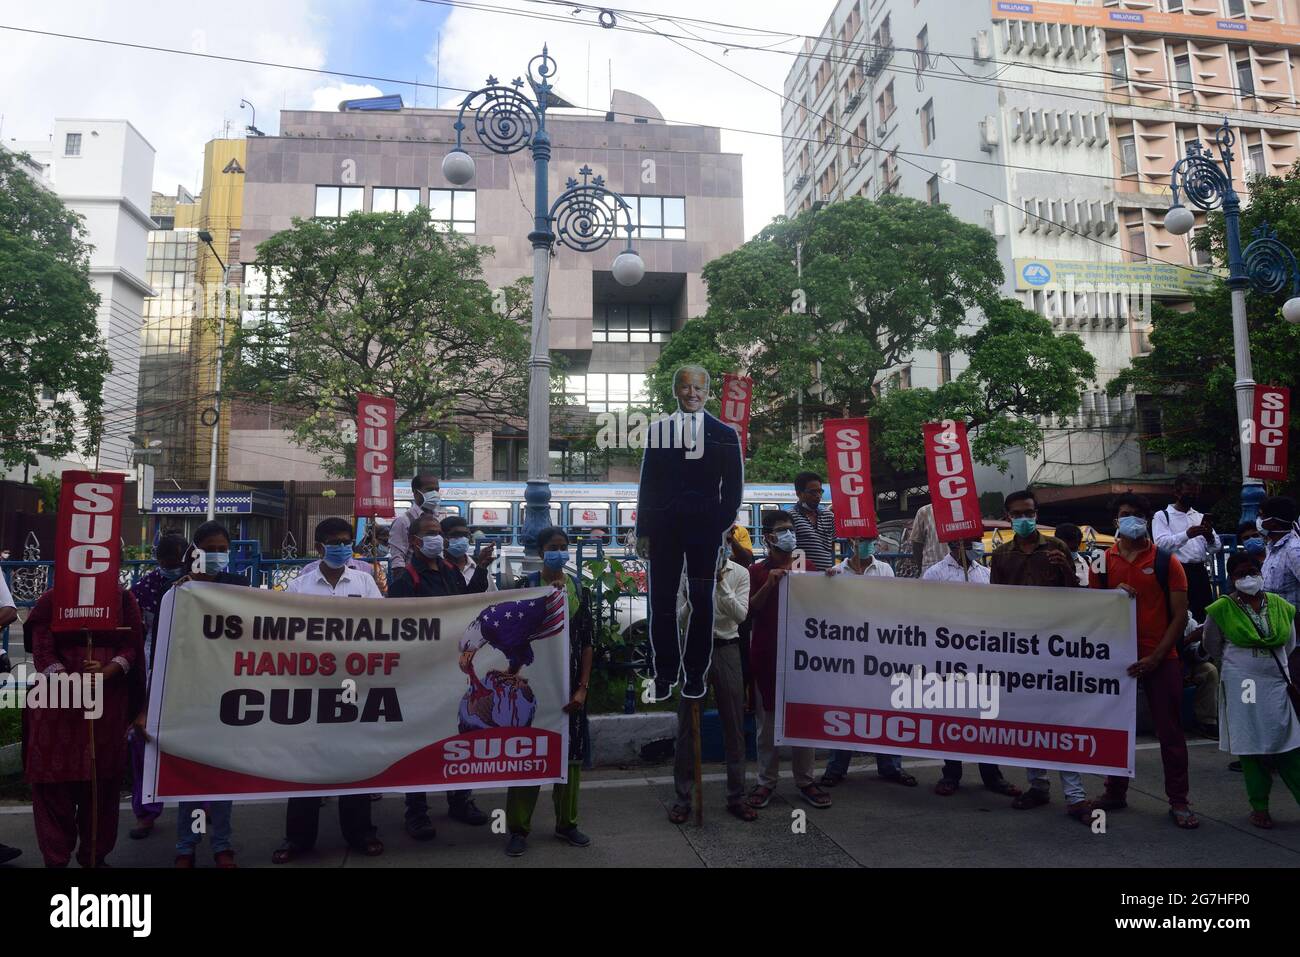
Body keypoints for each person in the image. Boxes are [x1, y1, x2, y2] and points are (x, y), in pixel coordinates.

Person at [273, 518, 385, 863]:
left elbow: (382, 628)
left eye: (347, 540)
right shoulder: (300, 587)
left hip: (355, 685)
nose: (342, 546)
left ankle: (361, 833)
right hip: (311, 686)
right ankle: (298, 839)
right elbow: (285, 633)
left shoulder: (365, 582)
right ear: (319, 546)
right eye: (335, 541)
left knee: (354, 760)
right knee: (307, 764)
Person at [1089, 493, 1198, 829]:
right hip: (1116, 660)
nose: (1131, 519)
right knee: (1114, 731)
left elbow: (1179, 618)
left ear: (1147, 519)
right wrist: (1111, 597)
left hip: (1162, 658)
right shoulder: (1101, 562)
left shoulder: (1168, 562)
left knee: (1171, 734)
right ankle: (1114, 791)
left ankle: (1179, 801)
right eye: (1125, 514)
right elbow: (1091, 610)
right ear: (1115, 521)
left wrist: (1155, 657)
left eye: (1137, 514)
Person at [636, 365, 744, 700]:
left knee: (702, 602)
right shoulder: (658, 432)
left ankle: (695, 674)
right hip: (664, 532)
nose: (692, 394)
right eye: (686, 387)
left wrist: (719, 524)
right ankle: (665, 672)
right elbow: (649, 485)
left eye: (699, 388)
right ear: (676, 390)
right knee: (662, 603)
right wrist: (644, 531)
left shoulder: (725, 434)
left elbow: (734, 489)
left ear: (707, 392)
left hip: (704, 532)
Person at [24, 585, 144, 867]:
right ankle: (56, 859)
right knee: (53, 790)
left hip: (106, 705)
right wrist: (67, 681)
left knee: (101, 785)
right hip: (56, 706)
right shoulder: (52, 598)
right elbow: (41, 648)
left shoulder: (122, 599)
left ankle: (94, 856)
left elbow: (132, 645)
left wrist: (107, 671)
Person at [989, 490, 1091, 821]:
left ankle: (1075, 795)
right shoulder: (1002, 556)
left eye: (1029, 512)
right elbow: (996, 605)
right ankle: (1038, 785)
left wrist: (1065, 572)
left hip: (1055, 648)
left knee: (1062, 719)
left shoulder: (1058, 548)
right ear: (1008, 516)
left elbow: (1073, 597)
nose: (1023, 518)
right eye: (1017, 513)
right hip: (1020, 650)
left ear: (1036, 513)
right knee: (1030, 720)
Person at [387, 511, 489, 838]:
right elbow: (398, 628)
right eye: (431, 533)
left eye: (439, 533)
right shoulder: (406, 580)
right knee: (420, 742)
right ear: (415, 541)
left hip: (453, 671)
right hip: (420, 676)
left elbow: (467, 605)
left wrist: (483, 568)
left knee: (458, 735)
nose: (438, 538)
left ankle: (460, 799)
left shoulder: (450, 572)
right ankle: (416, 812)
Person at [503, 527, 594, 856]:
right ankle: (517, 828)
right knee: (527, 756)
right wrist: (546, 600)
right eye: (552, 547)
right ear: (541, 553)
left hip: (570, 689)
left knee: (570, 758)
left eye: (563, 547)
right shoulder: (525, 588)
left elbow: (587, 644)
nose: (559, 552)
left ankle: (566, 824)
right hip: (530, 691)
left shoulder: (579, 589)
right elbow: (514, 637)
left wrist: (582, 688)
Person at [1203, 552, 1300, 829]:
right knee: (1251, 744)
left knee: (1288, 743)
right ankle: (1260, 807)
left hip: (1275, 682)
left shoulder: (1282, 606)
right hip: (1243, 682)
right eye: (1240, 574)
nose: (1247, 578)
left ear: (1261, 573)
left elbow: (1289, 644)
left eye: (1252, 572)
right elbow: (1212, 645)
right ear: (1232, 578)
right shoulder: (1221, 608)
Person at [923, 539, 1024, 799]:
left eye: (973, 542)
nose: (972, 547)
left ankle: (992, 775)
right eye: (967, 543)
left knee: (985, 715)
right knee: (952, 715)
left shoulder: (985, 574)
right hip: (949, 656)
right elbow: (923, 612)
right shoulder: (935, 574)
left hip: (982, 657)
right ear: (952, 545)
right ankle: (951, 774)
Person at [746, 510, 831, 810]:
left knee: (802, 721)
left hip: (801, 659)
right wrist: (769, 584)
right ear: (769, 537)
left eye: (792, 529)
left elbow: (822, 606)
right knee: (767, 726)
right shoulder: (756, 571)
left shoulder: (803, 566)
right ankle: (766, 782)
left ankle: (805, 780)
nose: (790, 535)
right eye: (783, 530)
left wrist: (830, 583)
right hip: (767, 657)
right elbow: (749, 612)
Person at [173, 521, 247, 867]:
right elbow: (166, 646)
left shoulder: (240, 587)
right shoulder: (180, 593)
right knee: (191, 775)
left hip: (229, 691)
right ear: (195, 551)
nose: (217, 555)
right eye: (210, 549)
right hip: (190, 692)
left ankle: (222, 843)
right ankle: (186, 845)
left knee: (221, 774)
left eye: (222, 549)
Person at [670, 524, 755, 823]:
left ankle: (737, 796)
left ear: (728, 544)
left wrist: (720, 583)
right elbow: (679, 621)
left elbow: (741, 615)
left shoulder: (740, 574)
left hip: (727, 649)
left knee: (733, 724)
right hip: (694, 651)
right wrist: (695, 592)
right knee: (686, 728)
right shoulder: (685, 574)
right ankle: (683, 799)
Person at [818, 536, 917, 789]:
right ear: (852, 542)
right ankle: (836, 768)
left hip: (879, 649)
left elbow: (892, 604)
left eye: (871, 540)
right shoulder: (838, 571)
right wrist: (826, 584)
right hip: (848, 652)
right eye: (863, 540)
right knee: (846, 709)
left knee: (885, 707)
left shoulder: (884, 569)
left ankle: (891, 766)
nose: (868, 544)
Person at [125, 533, 189, 840]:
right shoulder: (144, 589)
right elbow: (134, 636)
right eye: (165, 563)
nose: (170, 567)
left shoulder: (198, 585)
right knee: (144, 742)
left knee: (197, 743)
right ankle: (146, 812)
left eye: (175, 562)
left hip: (194, 668)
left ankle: (203, 809)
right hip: (153, 667)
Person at [1152, 474, 1220, 620]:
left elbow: (1215, 548)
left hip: (1200, 571)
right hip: (1177, 569)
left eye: (1194, 494)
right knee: (1179, 614)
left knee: (1203, 613)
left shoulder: (1198, 516)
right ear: (1177, 493)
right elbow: (1161, 545)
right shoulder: (1162, 516)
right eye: (1188, 493)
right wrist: (1186, 535)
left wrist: (1210, 537)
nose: (1192, 497)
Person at [389, 472, 445, 571]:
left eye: (437, 490)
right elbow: (398, 558)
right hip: (415, 576)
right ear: (416, 493)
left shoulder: (440, 517)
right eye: (429, 490)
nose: (435, 494)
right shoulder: (403, 521)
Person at [788, 472, 836, 572]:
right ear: (799, 493)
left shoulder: (829, 516)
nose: (818, 496)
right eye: (812, 492)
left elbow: (831, 546)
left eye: (820, 491)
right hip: (802, 576)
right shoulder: (790, 517)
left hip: (826, 576)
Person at [442, 515, 497, 592]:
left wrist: (482, 567)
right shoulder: (437, 568)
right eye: (456, 534)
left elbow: (493, 597)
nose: (462, 539)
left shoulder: (478, 566)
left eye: (465, 535)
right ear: (443, 537)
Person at [906, 503, 948, 577]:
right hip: (931, 570)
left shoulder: (960, 508)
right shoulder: (924, 511)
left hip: (935, 567)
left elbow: (916, 544)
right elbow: (916, 544)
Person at [1053, 523, 1092, 588]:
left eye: (1072, 549)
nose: (1068, 553)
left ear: (1078, 545)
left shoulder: (1088, 562)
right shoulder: (1049, 565)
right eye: (1065, 549)